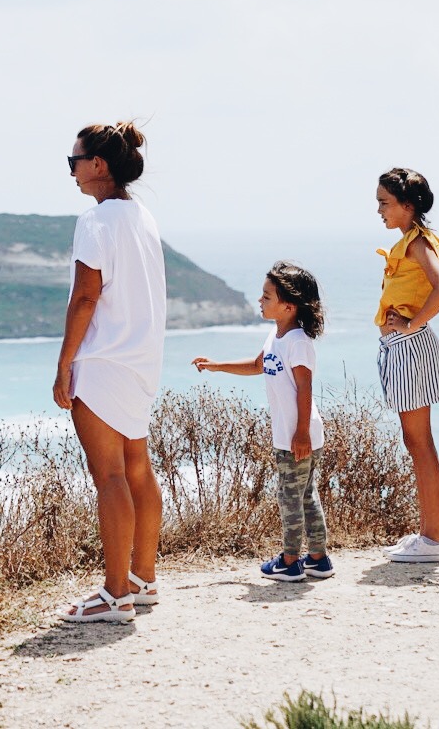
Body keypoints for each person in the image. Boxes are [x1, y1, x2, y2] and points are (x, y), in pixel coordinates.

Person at [55, 122, 167, 623]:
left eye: (74, 161)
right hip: (141, 360)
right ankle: (143, 579)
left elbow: (85, 296)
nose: (72, 171)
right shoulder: (143, 216)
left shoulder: (95, 220)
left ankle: (115, 593)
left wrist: (64, 364)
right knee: (138, 469)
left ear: (98, 165)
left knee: (110, 477)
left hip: (102, 361)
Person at [192, 261, 332, 583]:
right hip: (296, 433)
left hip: (296, 435)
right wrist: (217, 365)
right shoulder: (277, 335)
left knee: (289, 498)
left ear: (289, 306)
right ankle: (318, 559)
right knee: (305, 495)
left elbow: (305, 387)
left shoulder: (297, 341)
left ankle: (290, 562)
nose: (260, 300)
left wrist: (300, 433)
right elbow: (258, 365)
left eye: (267, 296)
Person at [373, 168, 439, 563]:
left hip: (409, 345)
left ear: (407, 205)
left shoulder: (418, 243)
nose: (379, 210)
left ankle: (434, 539)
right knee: (416, 442)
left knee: (419, 443)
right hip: (403, 345)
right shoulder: (412, 241)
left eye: (384, 203)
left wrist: (411, 324)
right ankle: (429, 534)